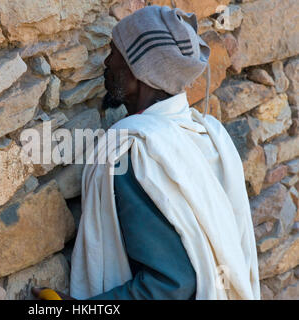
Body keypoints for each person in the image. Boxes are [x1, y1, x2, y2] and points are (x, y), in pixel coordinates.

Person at [33, 5, 260, 300]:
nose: (106, 63)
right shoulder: (206, 134)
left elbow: (171, 285)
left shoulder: (136, 151)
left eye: (114, 53)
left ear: (136, 71)